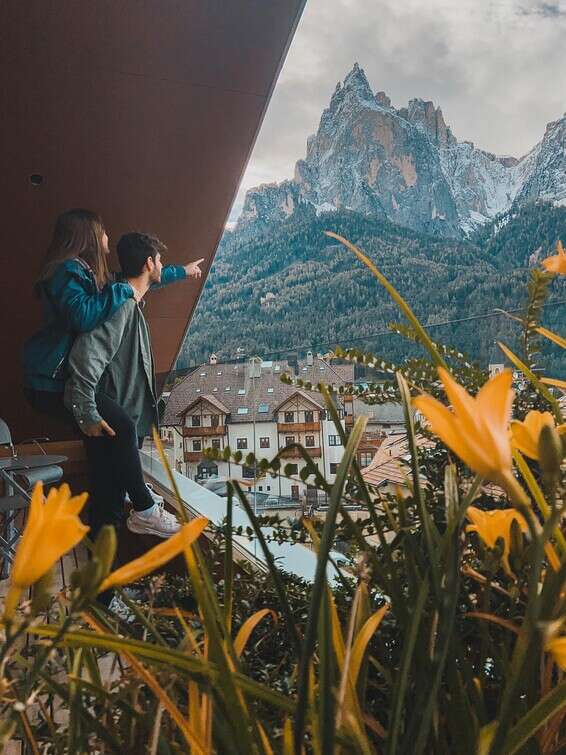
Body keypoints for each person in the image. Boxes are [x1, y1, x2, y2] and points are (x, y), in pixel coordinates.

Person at [23, 208, 203, 416]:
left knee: (113, 430)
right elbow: (82, 315)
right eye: (103, 230)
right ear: (88, 236)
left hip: (58, 378)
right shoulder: (67, 271)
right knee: (120, 428)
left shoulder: (86, 273)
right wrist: (124, 289)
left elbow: (138, 280)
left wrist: (183, 271)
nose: (107, 235)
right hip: (47, 381)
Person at [64, 232, 181, 539]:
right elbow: (87, 357)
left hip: (107, 408)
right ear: (148, 263)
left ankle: (102, 586)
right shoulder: (121, 305)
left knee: (106, 501)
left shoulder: (127, 298)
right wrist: (87, 411)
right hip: (102, 411)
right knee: (108, 503)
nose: (162, 266)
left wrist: (185, 270)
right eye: (159, 261)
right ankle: (143, 510)